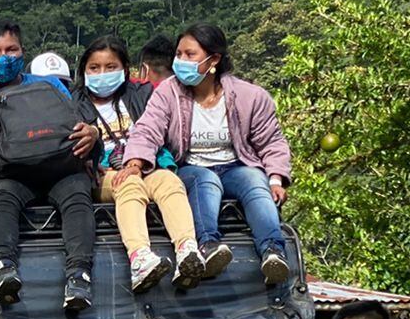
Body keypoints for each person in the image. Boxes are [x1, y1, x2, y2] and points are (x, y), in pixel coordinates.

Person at [121, 23, 293, 287]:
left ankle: (273, 250)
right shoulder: (168, 92)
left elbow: (271, 141)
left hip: (235, 164)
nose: (181, 61)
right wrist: (135, 162)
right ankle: (208, 245)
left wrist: (276, 178)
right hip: (191, 166)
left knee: (256, 182)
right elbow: (148, 128)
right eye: (179, 54)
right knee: (205, 181)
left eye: (190, 55)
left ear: (213, 60)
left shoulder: (249, 97)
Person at [0, 20, 101, 314]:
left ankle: (79, 276)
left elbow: (82, 123)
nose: (4, 57)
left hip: (60, 169)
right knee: (2, 199)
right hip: (10, 175)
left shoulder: (49, 84)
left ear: (23, 52)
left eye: (11, 49)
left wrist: (92, 136)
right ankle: (3, 268)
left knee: (78, 195)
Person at [75, 37, 204, 294]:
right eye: (94, 68)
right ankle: (140, 258)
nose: (102, 74)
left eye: (111, 67)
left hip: (144, 164)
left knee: (169, 182)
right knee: (130, 184)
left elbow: (158, 135)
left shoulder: (142, 95)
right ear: (84, 72)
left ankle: (187, 249)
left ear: (125, 70)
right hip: (104, 174)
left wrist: (158, 163)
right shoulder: (71, 105)